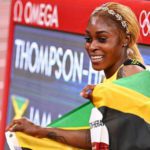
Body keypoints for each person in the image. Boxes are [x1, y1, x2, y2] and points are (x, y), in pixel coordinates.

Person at [6, 2, 146, 149]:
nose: (92, 47)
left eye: (102, 39)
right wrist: (40, 131)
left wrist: (42, 131)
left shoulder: (129, 73)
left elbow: (108, 139)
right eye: (88, 39)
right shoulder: (111, 79)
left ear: (126, 39)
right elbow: (99, 136)